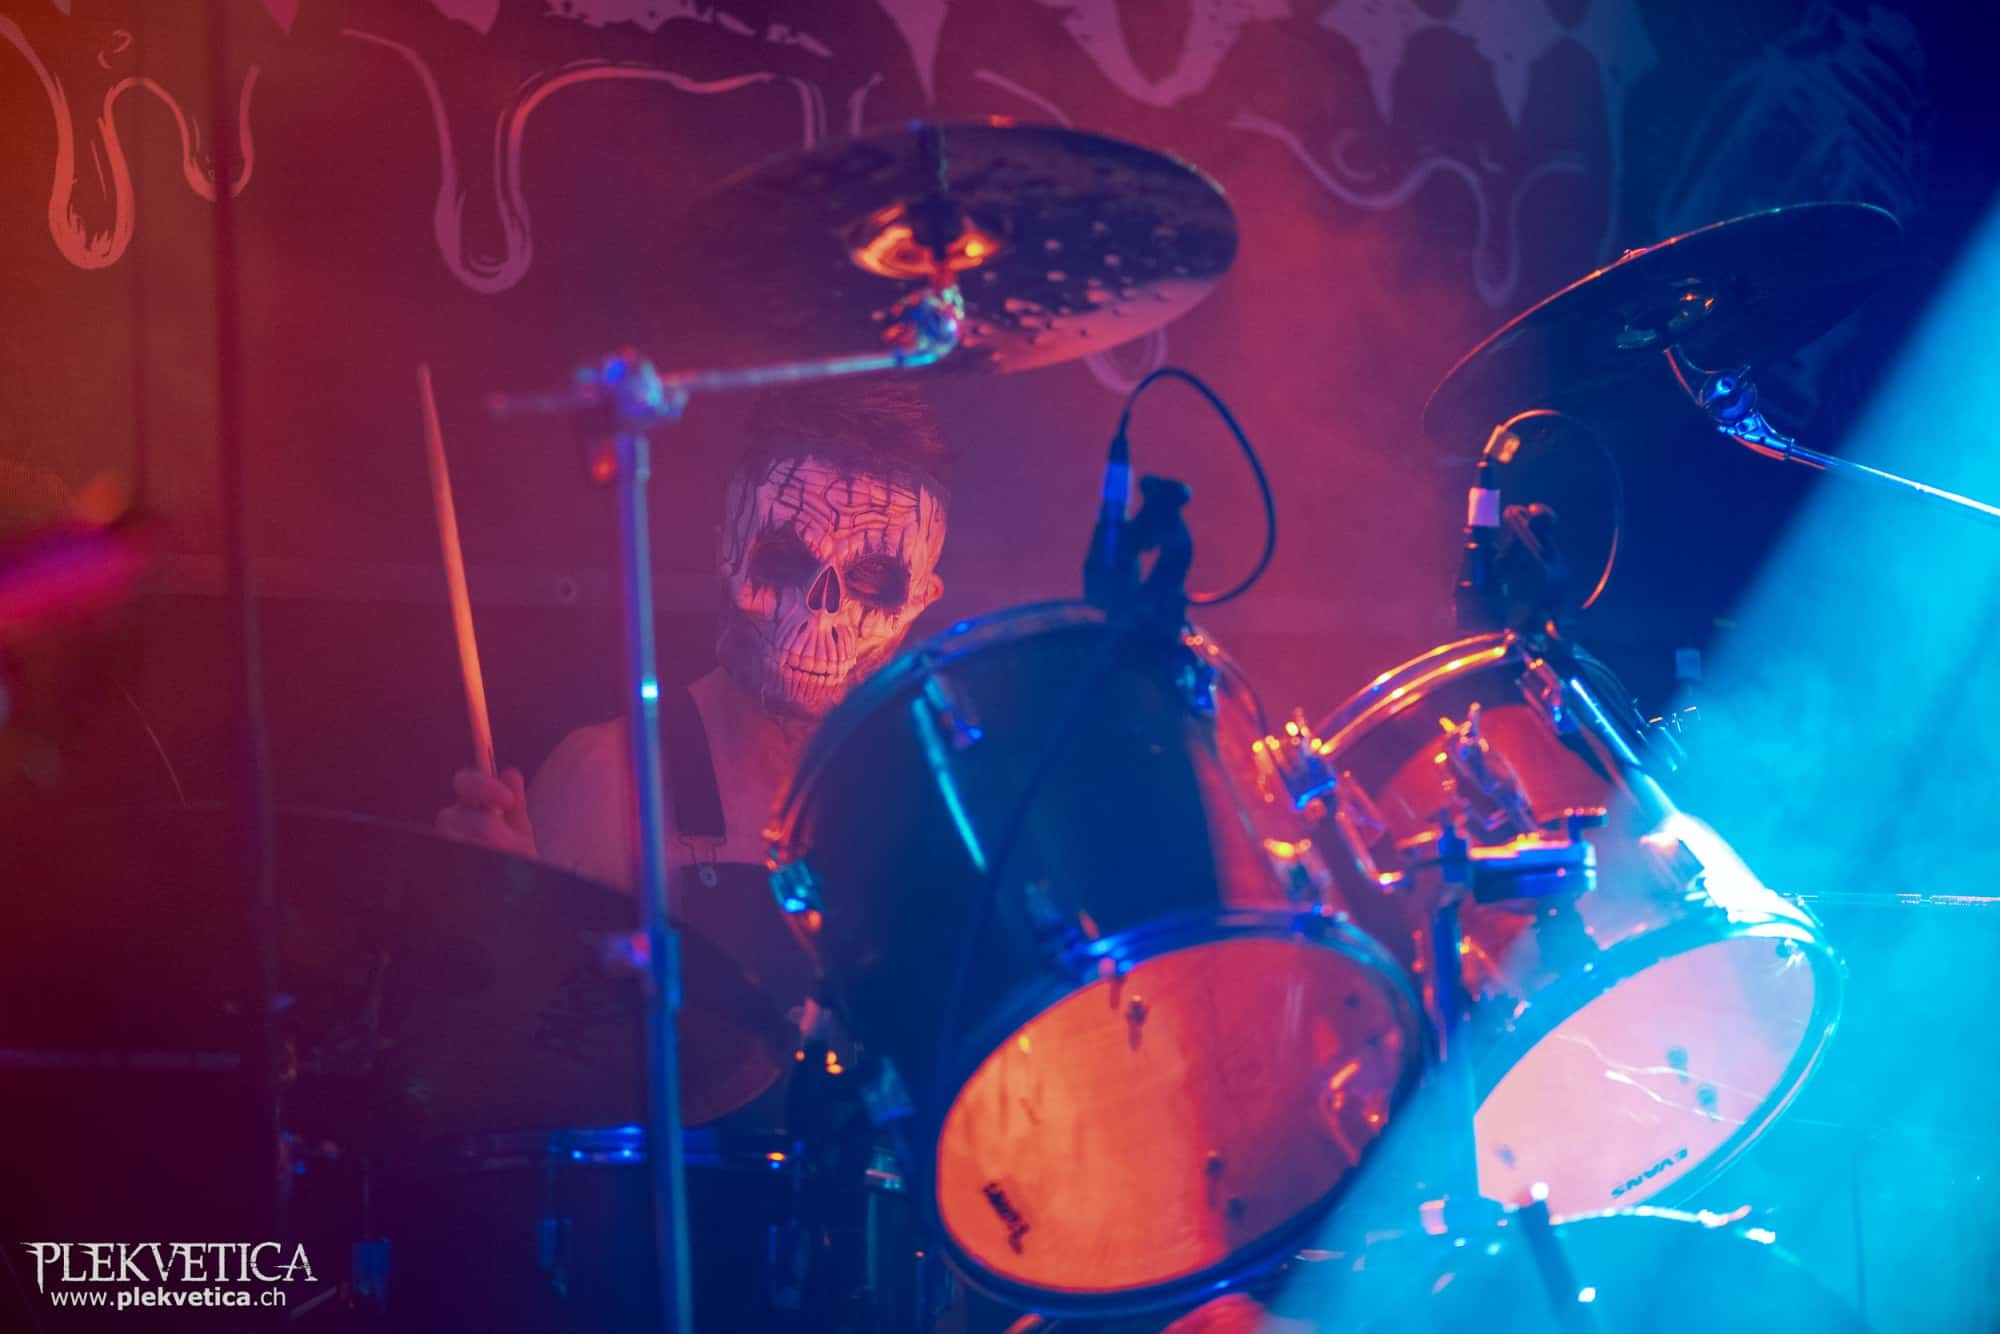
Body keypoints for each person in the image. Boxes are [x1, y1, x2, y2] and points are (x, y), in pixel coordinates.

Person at [434, 376, 950, 1081]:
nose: (820, 608)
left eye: (871, 579)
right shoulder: (612, 780)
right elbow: (511, 1076)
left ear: (920, 599)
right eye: (783, 560)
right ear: (725, 554)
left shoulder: (935, 809)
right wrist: (491, 923)